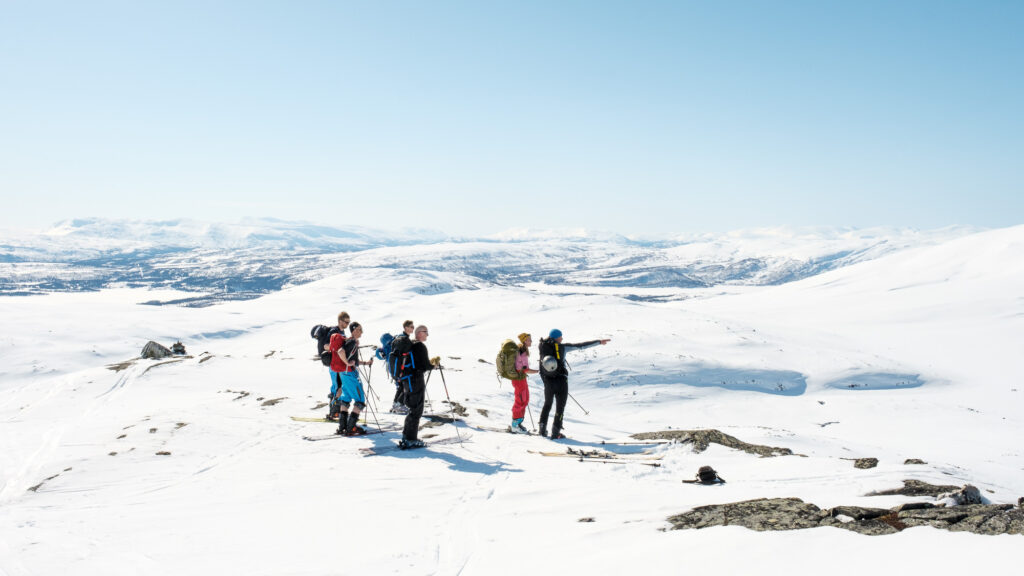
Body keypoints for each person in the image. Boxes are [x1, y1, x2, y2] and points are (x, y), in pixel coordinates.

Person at [537, 329, 610, 439]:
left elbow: (541, 368)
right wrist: (599, 342)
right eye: (560, 337)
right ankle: (556, 433)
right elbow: (581, 346)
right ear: (556, 338)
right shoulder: (563, 347)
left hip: (548, 381)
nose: (562, 339)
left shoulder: (543, 347)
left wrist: (546, 382)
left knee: (547, 405)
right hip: (561, 381)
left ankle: (542, 430)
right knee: (560, 407)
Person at [399, 324, 440, 449]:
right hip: (415, 380)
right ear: (419, 333)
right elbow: (424, 365)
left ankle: (407, 436)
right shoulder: (420, 346)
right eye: (426, 332)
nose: (427, 334)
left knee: (413, 408)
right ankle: (411, 439)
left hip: (407, 380)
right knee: (416, 409)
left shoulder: (410, 344)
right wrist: (434, 365)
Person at [335, 322, 374, 435]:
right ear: (354, 330)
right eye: (359, 329)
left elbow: (353, 361)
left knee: (346, 398)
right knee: (360, 400)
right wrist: (347, 362)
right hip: (351, 375)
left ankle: (342, 427)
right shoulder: (351, 342)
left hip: (344, 374)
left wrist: (365, 363)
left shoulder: (350, 342)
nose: (361, 331)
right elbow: (340, 351)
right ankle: (351, 427)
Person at [509, 333, 538, 434]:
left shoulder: (521, 350)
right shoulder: (522, 352)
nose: (531, 341)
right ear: (524, 341)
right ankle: (515, 425)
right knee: (520, 400)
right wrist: (537, 371)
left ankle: (518, 422)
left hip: (520, 379)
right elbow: (525, 369)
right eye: (529, 339)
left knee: (524, 399)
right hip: (519, 379)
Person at [326, 311, 350, 420]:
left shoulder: (342, 332)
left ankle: (337, 411)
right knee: (338, 386)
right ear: (340, 321)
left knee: (340, 386)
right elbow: (325, 346)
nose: (347, 324)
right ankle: (334, 412)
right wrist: (336, 348)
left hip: (340, 365)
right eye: (346, 322)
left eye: (349, 322)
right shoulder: (333, 331)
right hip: (334, 364)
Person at [389, 320, 415, 414]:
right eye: (411, 327)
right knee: (406, 387)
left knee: (400, 386)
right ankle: (400, 405)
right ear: (406, 328)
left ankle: (395, 405)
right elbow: (406, 355)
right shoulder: (405, 340)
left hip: (396, 368)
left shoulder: (397, 338)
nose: (413, 328)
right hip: (404, 367)